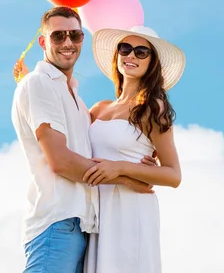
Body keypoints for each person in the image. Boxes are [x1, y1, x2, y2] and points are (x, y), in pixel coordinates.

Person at [11, 7, 158, 273]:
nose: (67, 42)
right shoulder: (40, 84)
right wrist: (126, 178)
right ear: (43, 42)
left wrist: (138, 154)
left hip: (82, 227)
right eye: (58, 36)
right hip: (56, 224)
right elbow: (61, 162)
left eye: (75, 35)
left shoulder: (76, 100)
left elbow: (105, 140)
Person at [81, 25, 186, 273]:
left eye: (141, 52)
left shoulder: (152, 108)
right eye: (125, 49)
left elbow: (173, 175)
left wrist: (119, 168)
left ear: (152, 63)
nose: (131, 56)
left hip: (131, 210)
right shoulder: (98, 109)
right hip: (97, 208)